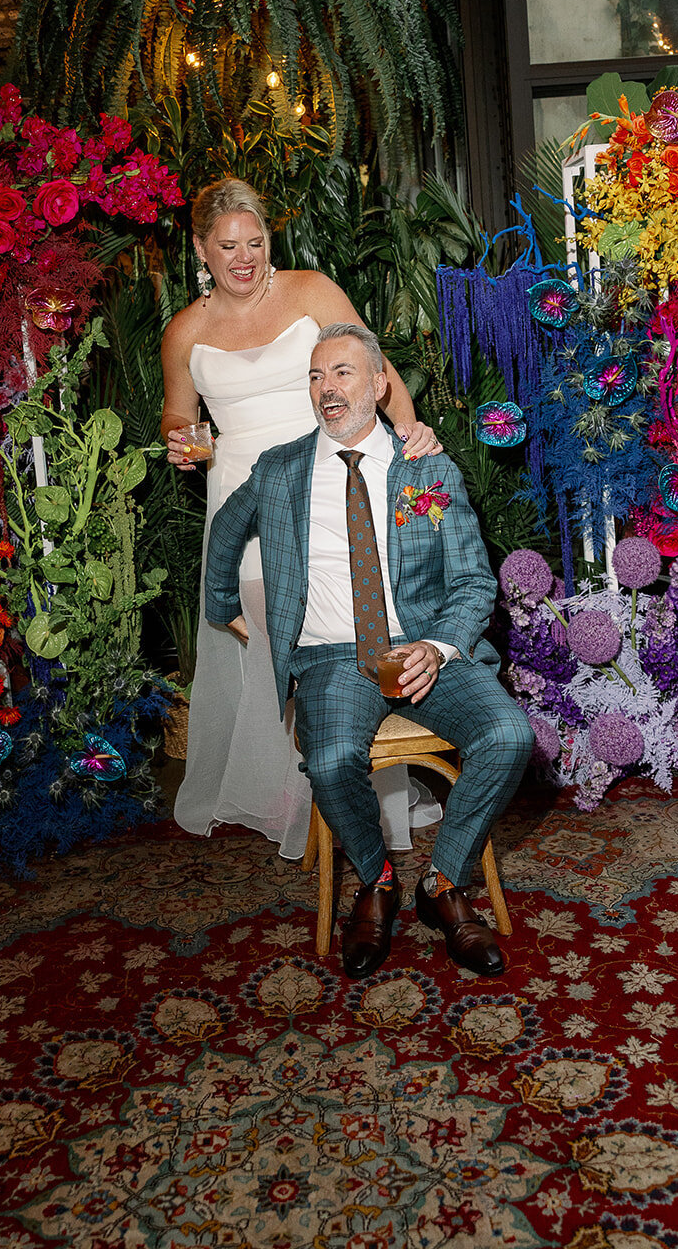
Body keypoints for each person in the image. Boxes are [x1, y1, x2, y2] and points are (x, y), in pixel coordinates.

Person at [204, 323, 533, 979]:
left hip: (422, 649)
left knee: (508, 735)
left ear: (379, 386)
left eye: (343, 373)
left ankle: (442, 884)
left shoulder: (426, 467)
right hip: (331, 655)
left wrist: (438, 649)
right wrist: (226, 611)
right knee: (329, 760)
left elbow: (471, 580)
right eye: (316, 375)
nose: (327, 387)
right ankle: (376, 880)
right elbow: (226, 528)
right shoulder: (282, 469)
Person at [161, 178, 444, 861]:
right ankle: (301, 790)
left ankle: (366, 789)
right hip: (247, 499)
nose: (243, 257)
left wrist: (408, 435)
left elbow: (376, 371)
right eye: (227, 245)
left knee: (351, 635)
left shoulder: (311, 291)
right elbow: (177, 413)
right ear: (201, 248)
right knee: (275, 647)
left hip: (331, 481)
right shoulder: (185, 331)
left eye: (254, 243)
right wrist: (181, 438)